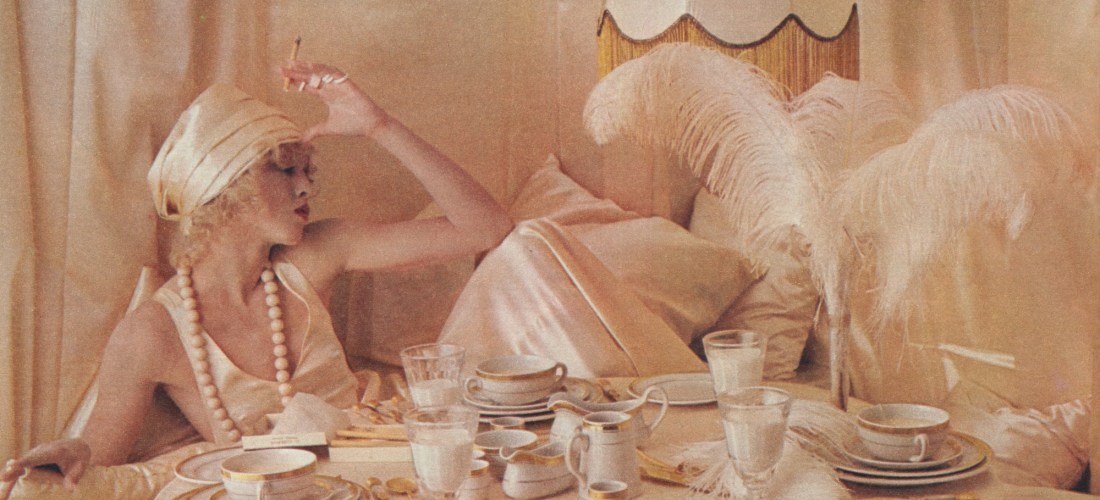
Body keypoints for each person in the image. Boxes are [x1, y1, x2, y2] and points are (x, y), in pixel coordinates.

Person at [0, 60, 513, 490]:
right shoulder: (152, 332)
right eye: (284, 170)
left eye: (307, 170)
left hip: (392, 474)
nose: (306, 187)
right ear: (221, 185)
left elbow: (486, 228)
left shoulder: (316, 254)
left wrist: (378, 125)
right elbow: (98, 464)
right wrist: (71, 454)